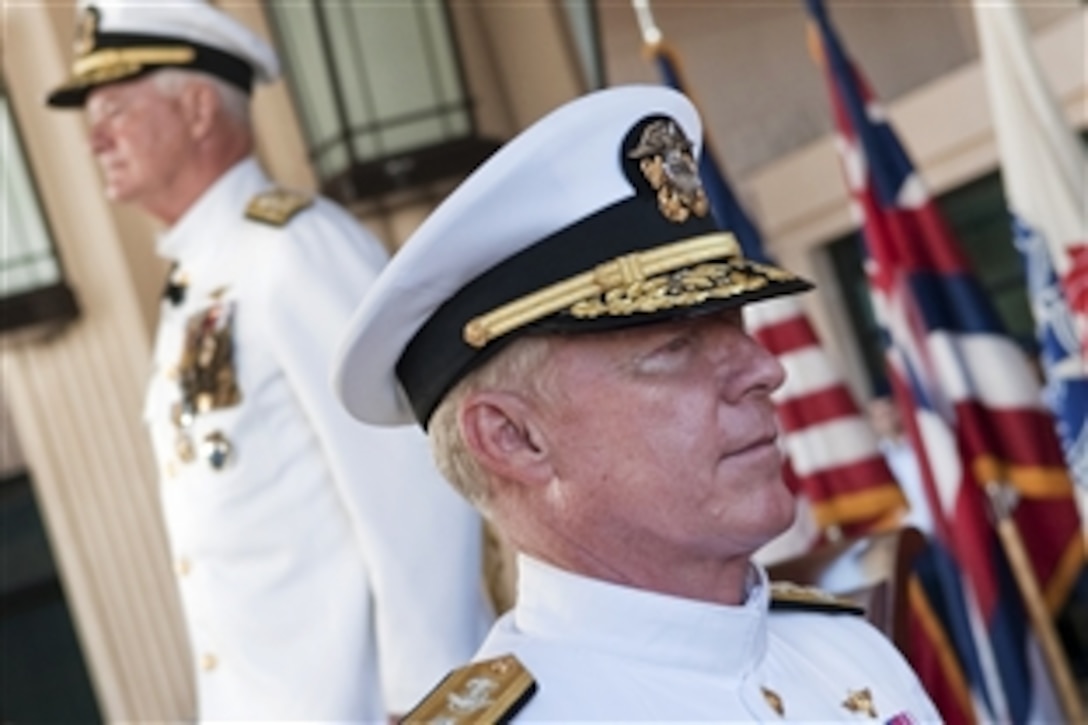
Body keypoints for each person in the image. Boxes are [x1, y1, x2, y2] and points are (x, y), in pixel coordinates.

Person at [333, 85, 943, 722]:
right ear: (513, 437)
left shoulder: (849, 650)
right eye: (675, 347)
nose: (765, 369)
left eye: (733, 326)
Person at [45, 1, 492, 720]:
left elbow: (411, 489)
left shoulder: (292, 251)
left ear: (196, 109)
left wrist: (432, 699)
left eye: (117, 108)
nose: (95, 137)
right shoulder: (199, 277)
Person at [868, 395, 935, 536]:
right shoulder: (877, 460)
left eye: (888, 413)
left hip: (941, 522)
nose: (885, 420)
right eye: (879, 417)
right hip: (910, 535)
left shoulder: (924, 443)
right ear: (873, 423)